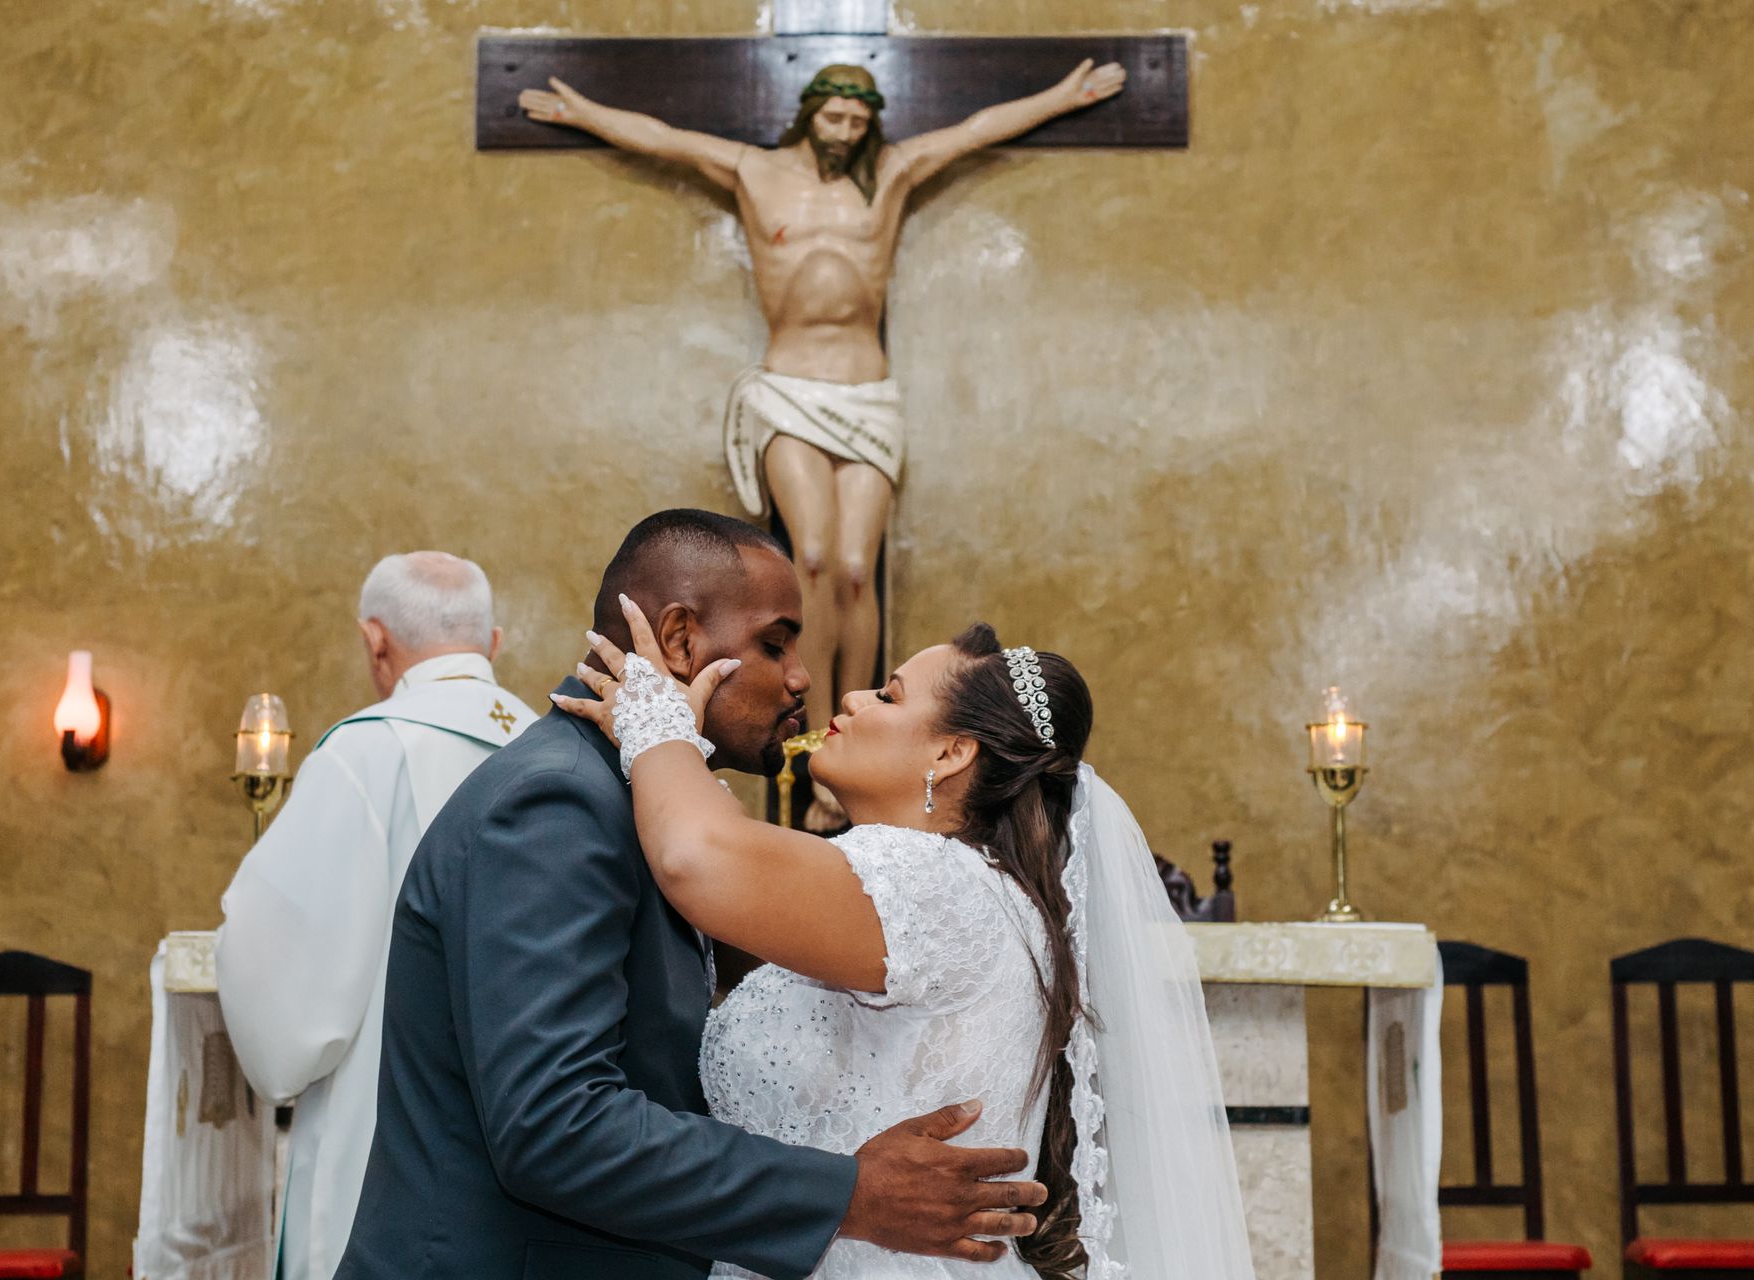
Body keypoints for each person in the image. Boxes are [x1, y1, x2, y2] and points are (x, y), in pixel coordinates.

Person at [335, 509, 1046, 1280]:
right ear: (679, 641)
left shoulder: (645, 802)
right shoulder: (556, 805)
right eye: (776, 643)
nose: (805, 678)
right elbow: (555, 1124)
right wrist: (845, 1194)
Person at [555, 594, 1258, 1279]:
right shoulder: (960, 890)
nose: (852, 700)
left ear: (951, 753)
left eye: (888, 696)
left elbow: (697, 860)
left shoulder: (933, 885)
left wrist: (656, 722)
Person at [520, 59, 1125, 830]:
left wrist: (1061, 95)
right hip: (790, 386)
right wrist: (585, 111)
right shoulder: (754, 170)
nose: (846, 132)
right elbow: (664, 139)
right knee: (807, 559)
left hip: (867, 393)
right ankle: (804, 740)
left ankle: (848, 737)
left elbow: (974, 133)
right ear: (810, 113)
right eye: (834, 117)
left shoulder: (893, 173)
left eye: (857, 121)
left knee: (851, 569)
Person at [216, 551, 533, 1280]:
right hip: (537, 1148)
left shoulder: (364, 753)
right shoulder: (565, 752)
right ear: (493, 644)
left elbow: (283, 971)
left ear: (375, 640)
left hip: (387, 1142)